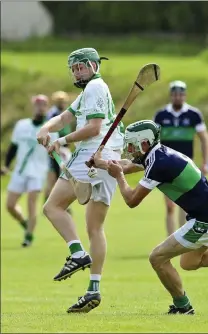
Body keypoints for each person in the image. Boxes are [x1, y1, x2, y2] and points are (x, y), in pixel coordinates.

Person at [92, 120, 208, 315]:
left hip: (207, 220)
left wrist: (119, 177)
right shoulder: (157, 153)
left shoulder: (158, 164)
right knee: (189, 262)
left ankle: (183, 306)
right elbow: (127, 165)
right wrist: (100, 163)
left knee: (157, 258)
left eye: (131, 145)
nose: (128, 149)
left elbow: (131, 200)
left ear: (144, 143)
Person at [37, 47, 124, 313]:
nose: (77, 72)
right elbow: (67, 116)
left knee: (52, 207)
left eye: (81, 67)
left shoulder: (96, 88)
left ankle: (77, 254)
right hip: (110, 160)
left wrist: (61, 140)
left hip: (91, 154)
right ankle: (93, 289)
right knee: (95, 228)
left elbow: (94, 128)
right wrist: (47, 128)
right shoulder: (89, 91)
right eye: (74, 68)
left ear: (94, 66)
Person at [154, 81, 208, 236]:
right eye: (174, 95)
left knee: (185, 204)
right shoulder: (161, 115)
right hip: (165, 166)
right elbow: (154, 140)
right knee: (169, 205)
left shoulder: (193, 115)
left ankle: (181, 240)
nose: (177, 97)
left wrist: (205, 162)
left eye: (180, 94)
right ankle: (170, 239)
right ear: (170, 96)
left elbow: (204, 139)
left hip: (186, 166)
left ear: (185, 96)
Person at [1, 95, 54, 247]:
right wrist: (6, 165)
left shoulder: (51, 129)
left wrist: (55, 176)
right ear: (33, 106)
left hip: (38, 172)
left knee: (32, 204)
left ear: (47, 107)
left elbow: (54, 154)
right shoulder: (21, 125)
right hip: (19, 171)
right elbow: (13, 147)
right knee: (10, 206)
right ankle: (25, 224)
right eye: (38, 104)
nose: (40, 107)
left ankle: (28, 236)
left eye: (43, 105)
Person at [44, 91, 72, 209]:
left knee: (60, 176)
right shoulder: (53, 114)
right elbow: (49, 132)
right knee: (56, 177)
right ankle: (53, 203)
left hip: (64, 149)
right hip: (57, 148)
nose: (62, 103)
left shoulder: (64, 113)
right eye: (60, 101)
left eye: (63, 101)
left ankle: (57, 203)